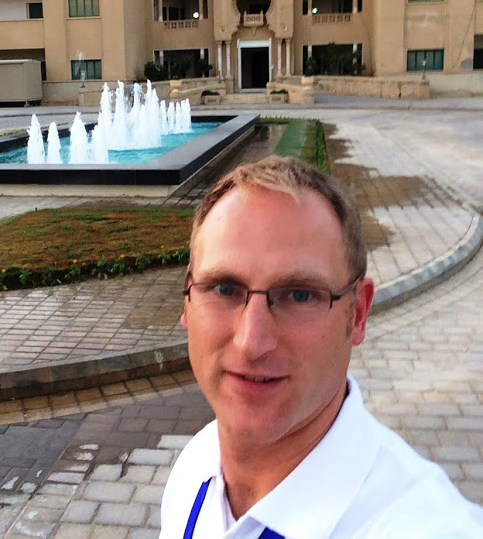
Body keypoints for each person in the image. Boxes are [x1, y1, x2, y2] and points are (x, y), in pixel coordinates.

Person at [160, 156, 483, 538]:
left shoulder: (433, 527)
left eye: (299, 295)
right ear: (187, 301)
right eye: (224, 288)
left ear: (358, 314)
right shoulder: (195, 466)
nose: (251, 342)